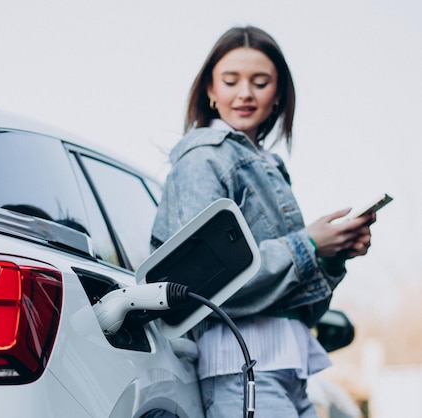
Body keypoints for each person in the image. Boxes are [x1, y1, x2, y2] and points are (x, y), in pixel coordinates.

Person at [151, 26, 374, 418]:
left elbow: (298, 304)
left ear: (278, 96)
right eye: (231, 80)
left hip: (286, 372)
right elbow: (201, 284)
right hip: (242, 372)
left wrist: (332, 257)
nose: (245, 93)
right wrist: (308, 245)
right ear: (209, 89)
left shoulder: (270, 167)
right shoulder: (204, 160)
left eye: (260, 82)